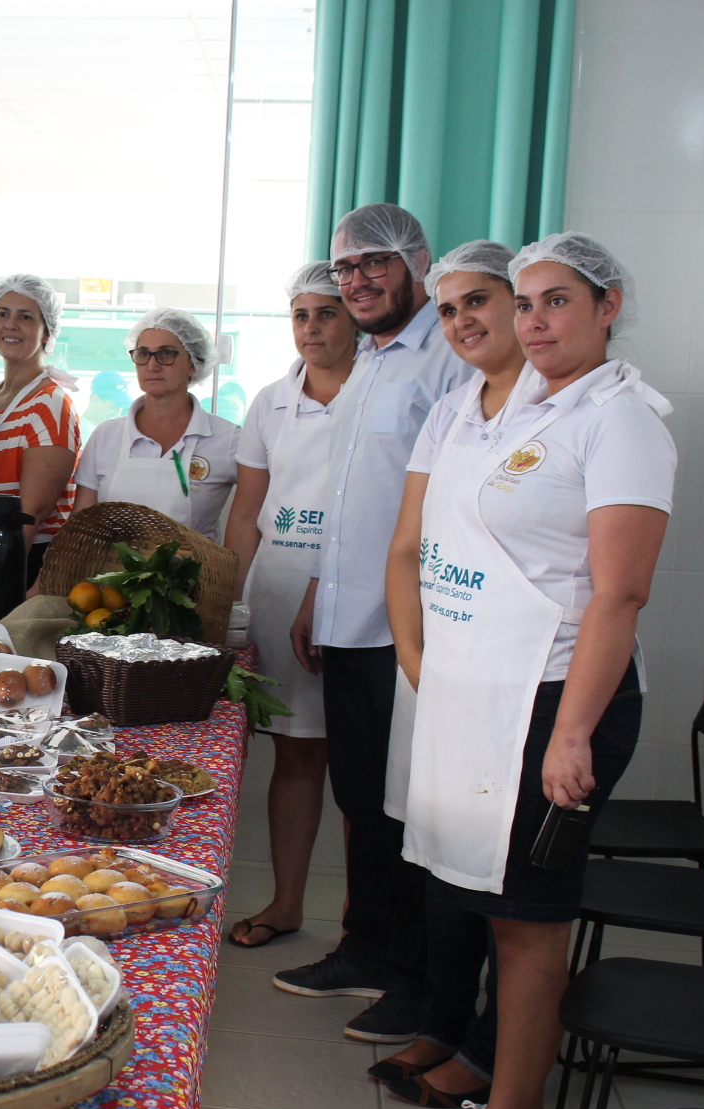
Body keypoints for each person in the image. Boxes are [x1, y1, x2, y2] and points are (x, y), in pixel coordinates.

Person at [383, 234, 671, 1109]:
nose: (538, 321)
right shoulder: (515, 408)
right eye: (532, 303)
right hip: (493, 694)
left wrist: (574, 734)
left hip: (556, 702)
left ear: (607, 306)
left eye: (555, 303)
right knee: (495, 906)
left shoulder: (622, 422)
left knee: (528, 927)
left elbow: (617, 597)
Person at [272, 203, 468, 1047]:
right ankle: (364, 947)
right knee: (362, 796)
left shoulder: (446, 361)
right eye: (344, 268)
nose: (357, 280)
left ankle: (413, 977)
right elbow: (349, 499)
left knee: (405, 810)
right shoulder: (375, 362)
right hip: (349, 615)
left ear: (417, 263)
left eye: (374, 263)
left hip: (407, 629)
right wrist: (321, 587)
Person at [364, 240, 534, 1108]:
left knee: (499, 875)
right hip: (440, 670)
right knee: (436, 853)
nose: (464, 321)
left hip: (517, 686)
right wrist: (415, 658)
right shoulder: (455, 407)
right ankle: (441, 1016)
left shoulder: (562, 408)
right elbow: (405, 548)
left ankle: (483, 1049)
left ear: (524, 306)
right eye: (450, 309)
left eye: (481, 302)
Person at [222, 262, 358, 948]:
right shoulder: (272, 401)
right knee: (297, 755)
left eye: (326, 313)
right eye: (301, 315)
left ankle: (365, 928)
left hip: (363, 598)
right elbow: (247, 511)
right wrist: (228, 599)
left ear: (356, 316)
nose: (311, 328)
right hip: (278, 595)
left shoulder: (382, 393)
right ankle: (286, 903)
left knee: (363, 767)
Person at [72, 307, 238, 538]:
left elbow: (250, 516)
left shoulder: (228, 439)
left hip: (195, 573)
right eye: (143, 354)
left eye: (166, 354)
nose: (152, 365)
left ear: (193, 362)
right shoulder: (106, 436)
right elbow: (82, 525)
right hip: (108, 572)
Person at [0, 274, 81, 590]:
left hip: (24, 559)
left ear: (47, 331)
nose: (11, 324)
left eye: (26, 317)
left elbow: (31, 514)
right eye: (2, 314)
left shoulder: (51, 403)